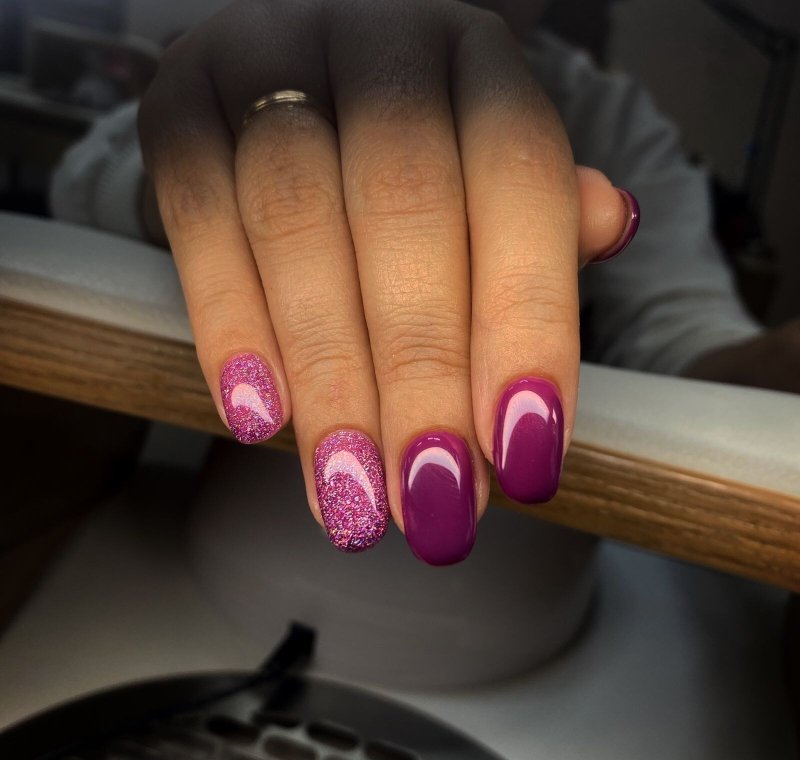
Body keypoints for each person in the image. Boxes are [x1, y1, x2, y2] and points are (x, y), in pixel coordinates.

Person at [50, 0, 798, 568]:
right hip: (211, 545)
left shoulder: (610, 111)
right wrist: (194, 192)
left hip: (547, 585)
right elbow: (80, 183)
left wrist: (778, 360)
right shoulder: (287, 40)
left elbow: (685, 341)